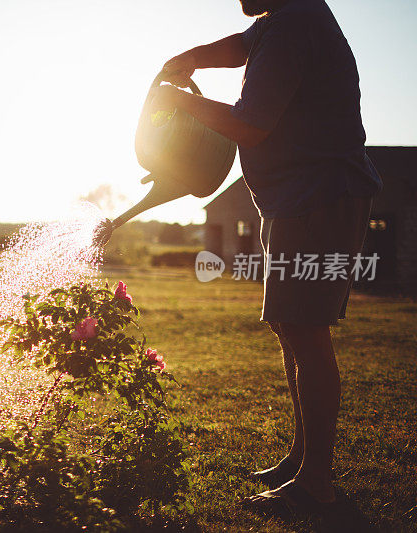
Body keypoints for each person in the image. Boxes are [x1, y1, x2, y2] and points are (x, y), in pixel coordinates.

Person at [150, 0, 382, 514]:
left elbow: (251, 125)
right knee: (289, 325)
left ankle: (315, 482)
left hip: (319, 196)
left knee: (305, 330)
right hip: (294, 199)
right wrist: (187, 58)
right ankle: (302, 458)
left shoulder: (295, 24)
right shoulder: (281, 22)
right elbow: (239, 46)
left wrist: (183, 103)